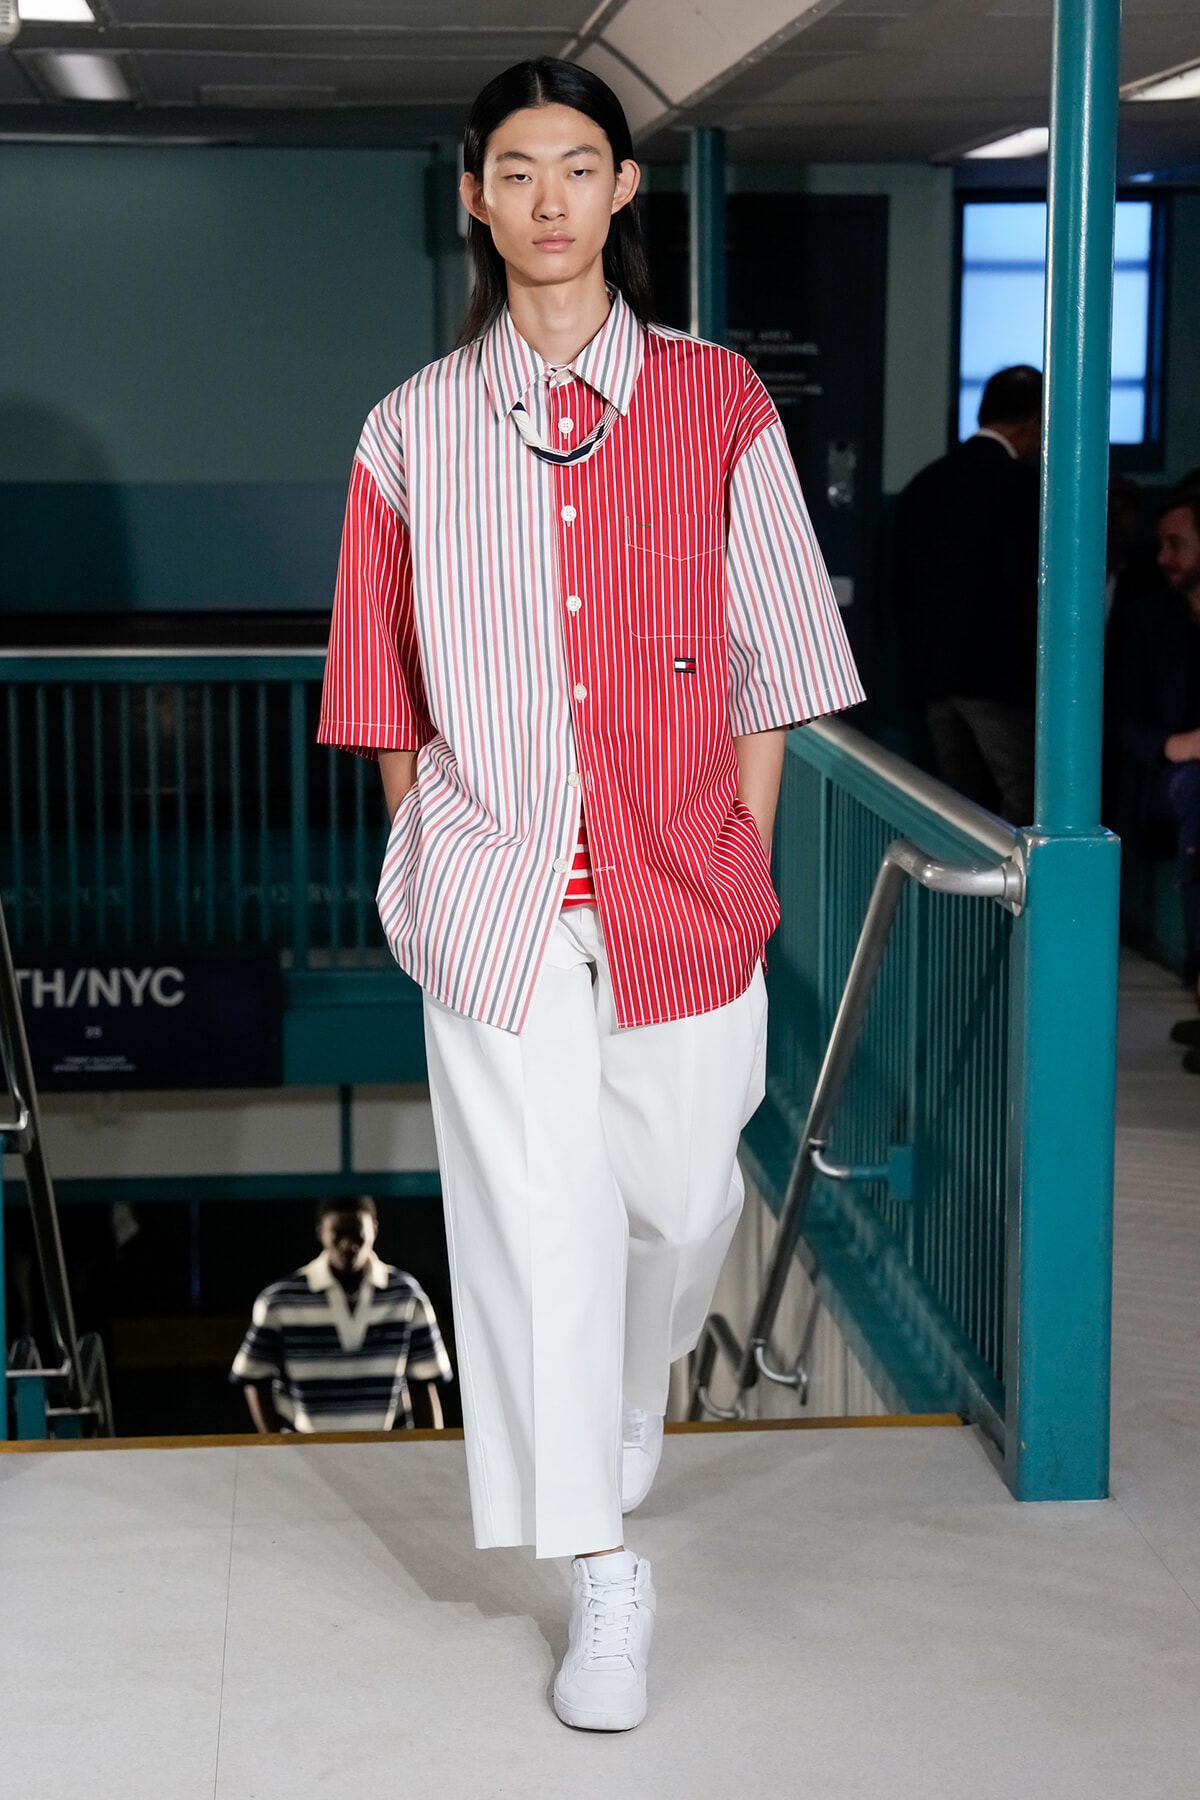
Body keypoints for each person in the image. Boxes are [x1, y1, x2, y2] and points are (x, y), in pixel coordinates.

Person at [317, 57, 861, 1732]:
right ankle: (599, 1572)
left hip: (683, 881)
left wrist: (747, 848)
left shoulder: (719, 405)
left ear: (626, 193)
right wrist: (420, 859)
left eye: (580, 166)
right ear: (473, 198)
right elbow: (379, 681)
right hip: (490, 898)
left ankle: (638, 1386)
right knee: (532, 1229)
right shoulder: (409, 429)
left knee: (686, 1198)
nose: (549, 198)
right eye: (515, 170)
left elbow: (773, 657)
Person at [893, 365, 1042, 823]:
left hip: (932, 678)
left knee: (959, 811)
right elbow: (1025, 584)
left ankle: (963, 897)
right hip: (1000, 680)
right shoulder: (1021, 485)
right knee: (1022, 799)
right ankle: (1017, 898)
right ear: (1029, 423)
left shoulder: (924, 483)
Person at [1109, 491, 1200, 1068]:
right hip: (1177, 779)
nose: (1164, 557)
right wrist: (1173, 745)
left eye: (1178, 544)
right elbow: (1117, 716)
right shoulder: (1147, 619)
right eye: (1162, 543)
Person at [230, 1195, 452, 1431]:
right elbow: (254, 1377)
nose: (348, 1244)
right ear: (321, 1232)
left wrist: (430, 1454)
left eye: (357, 1233)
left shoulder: (407, 1296)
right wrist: (276, 1446)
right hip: (306, 1455)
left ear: (374, 1230)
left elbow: (424, 1384)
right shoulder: (280, 1301)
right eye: (338, 1234)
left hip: (389, 1455)